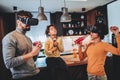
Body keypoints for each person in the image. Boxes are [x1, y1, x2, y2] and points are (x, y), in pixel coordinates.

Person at [2, 10, 42, 80]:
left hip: (35, 74)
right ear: (18, 22)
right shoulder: (10, 37)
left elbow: (32, 60)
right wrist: (32, 53)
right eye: (26, 19)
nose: (28, 22)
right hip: (22, 77)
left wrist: (36, 51)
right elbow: (8, 64)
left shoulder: (28, 39)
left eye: (29, 20)